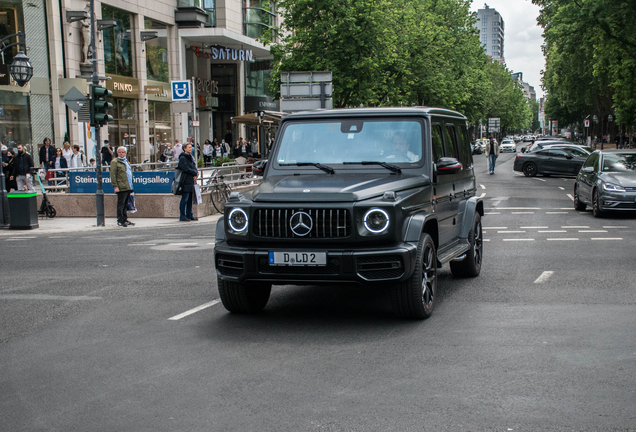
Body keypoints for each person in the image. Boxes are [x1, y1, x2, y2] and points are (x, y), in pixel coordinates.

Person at [110, 146, 135, 227]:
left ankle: (125, 219)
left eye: (123, 152)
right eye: (120, 152)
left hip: (128, 186)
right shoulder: (115, 162)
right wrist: (115, 186)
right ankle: (120, 220)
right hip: (121, 186)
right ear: (117, 153)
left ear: (125, 153)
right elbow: (113, 175)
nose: (121, 153)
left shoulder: (126, 161)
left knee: (125, 204)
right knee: (121, 204)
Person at [177, 142, 199, 222]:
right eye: (189, 147)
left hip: (191, 181)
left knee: (190, 199)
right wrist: (194, 172)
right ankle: (182, 216)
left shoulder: (190, 157)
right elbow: (185, 168)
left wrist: (196, 173)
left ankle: (189, 215)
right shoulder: (183, 158)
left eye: (191, 147)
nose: (190, 149)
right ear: (184, 149)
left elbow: (193, 166)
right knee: (185, 199)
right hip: (185, 181)